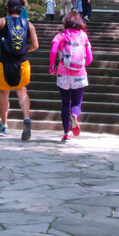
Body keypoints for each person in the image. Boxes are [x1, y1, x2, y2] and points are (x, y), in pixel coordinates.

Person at [0, 0, 39, 140]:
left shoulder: (3, 21)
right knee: (22, 92)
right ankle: (25, 118)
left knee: (4, 93)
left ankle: (4, 124)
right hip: (23, 64)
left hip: (4, 63)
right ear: (21, 10)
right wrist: (25, 50)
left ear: (7, 9)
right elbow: (36, 45)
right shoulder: (28, 24)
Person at [49, 11, 93, 142]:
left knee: (64, 104)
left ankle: (66, 133)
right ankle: (74, 115)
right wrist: (80, 65)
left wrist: (52, 67)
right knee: (76, 104)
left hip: (63, 73)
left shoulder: (61, 35)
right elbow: (90, 58)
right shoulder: (83, 36)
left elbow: (53, 51)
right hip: (79, 74)